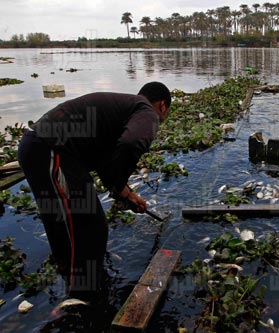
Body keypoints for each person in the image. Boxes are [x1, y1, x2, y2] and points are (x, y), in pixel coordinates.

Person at [18, 82, 171, 300]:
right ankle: (83, 295)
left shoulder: (122, 110)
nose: (162, 119)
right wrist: (119, 185)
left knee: (60, 219)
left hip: (37, 146)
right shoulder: (148, 111)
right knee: (91, 226)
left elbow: (104, 163)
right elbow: (131, 143)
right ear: (163, 105)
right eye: (165, 113)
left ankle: (70, 278)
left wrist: (127, 194)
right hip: (50, 149)